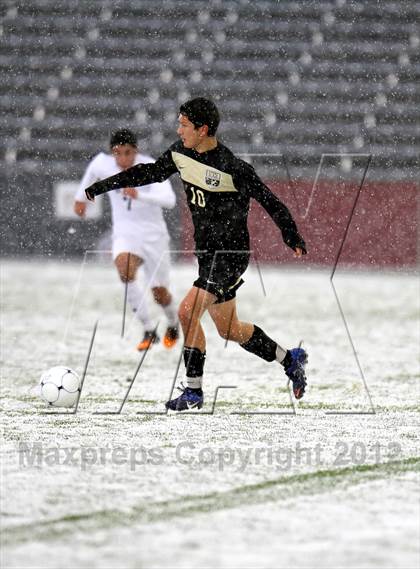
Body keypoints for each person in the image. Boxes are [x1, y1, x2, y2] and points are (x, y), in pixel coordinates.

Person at [84, 99, 308, 411]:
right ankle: (290, 359)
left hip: (230, 256)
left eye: (184, 125)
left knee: (188, 311)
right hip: (206, 255)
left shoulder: (234, 169)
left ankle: (193, 393)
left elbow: (271, 201)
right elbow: (148, 173)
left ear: (202, 130)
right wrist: (103, 186)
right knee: (231, 329)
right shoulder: (180, 153)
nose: (179, 130)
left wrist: (290, 234)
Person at [74, 128, 179, 351]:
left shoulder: (151, 167)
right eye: (118, 153)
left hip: (154, 236)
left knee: (159, 293)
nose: (122, 159)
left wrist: (139, 194)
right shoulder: (102, 163)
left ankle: (173, 323)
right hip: (125, 232)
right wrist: (80, 199)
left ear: (136, 152)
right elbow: (89, 178)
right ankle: (149, 330)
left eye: (127, 153)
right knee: (124, 268)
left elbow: (169, 200)